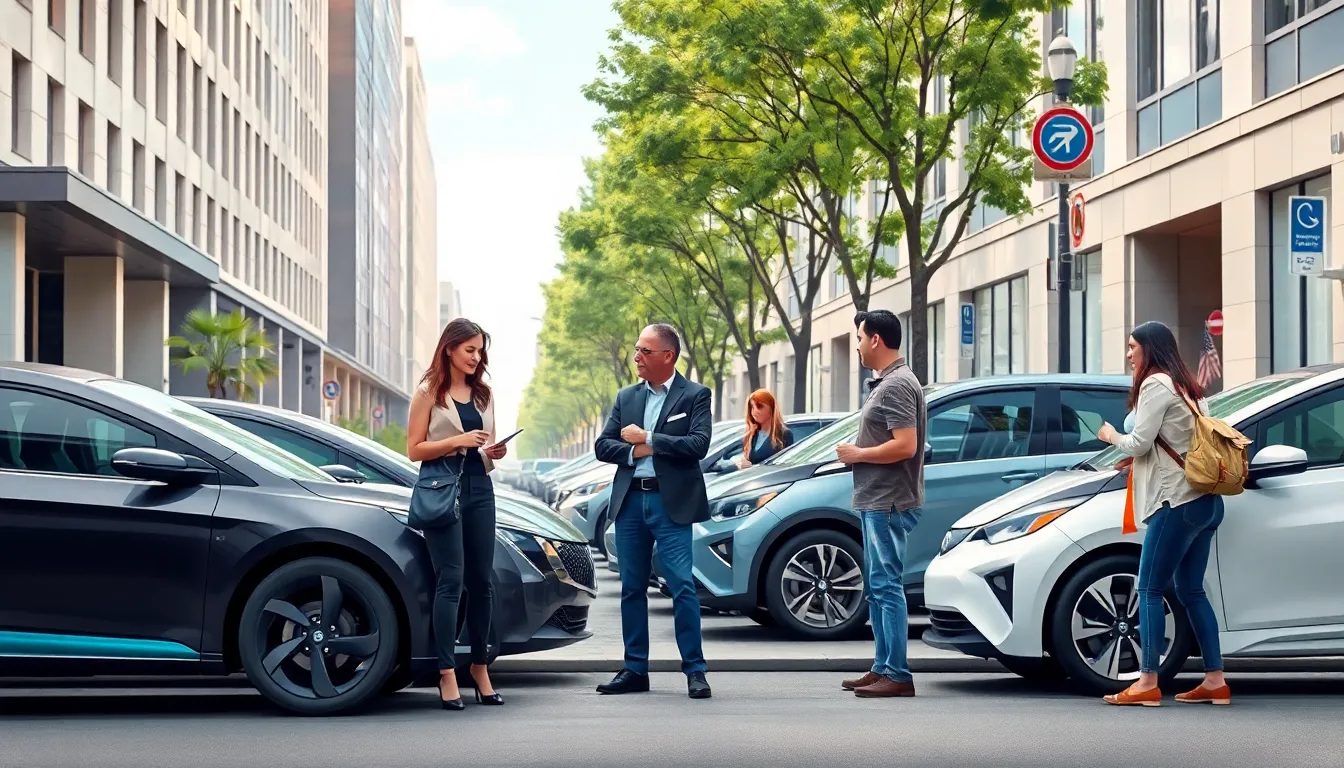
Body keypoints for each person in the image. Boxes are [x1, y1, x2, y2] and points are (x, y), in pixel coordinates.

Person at [1096, 320, 1228, 707]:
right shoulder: (1189, 387)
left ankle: (1147, 682)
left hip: (1176, 501)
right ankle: (1215, 680)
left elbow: (1139, 442)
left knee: (1150, 589)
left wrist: (1109, 436)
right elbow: (1173, 442)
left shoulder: (1156, 383)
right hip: (1206, 501)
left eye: (1132, 347)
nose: (1128, 354)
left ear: (1150, 349)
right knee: (1191, 591)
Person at [593, 323, 714, 699]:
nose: (637, 358)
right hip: (631, 502)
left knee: (682, 587)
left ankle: (695, 670)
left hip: (670, 503)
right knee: (632, 588)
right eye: (636, 350)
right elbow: (603, 446)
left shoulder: (695, 395)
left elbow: (698, 444)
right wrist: (636, 451)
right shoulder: (626, 397)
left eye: (645, 351)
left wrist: (648, 439)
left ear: (668, 356)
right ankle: (634, 669)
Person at [407, 318, 509, 710]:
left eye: (480, 351)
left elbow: (483, 448)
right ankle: (446, 672)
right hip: (441, 489)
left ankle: (480, 668)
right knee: (450, 581)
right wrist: (458, 441)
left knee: (481, 583)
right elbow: (414, 449)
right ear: (449, 348)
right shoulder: (427, 392)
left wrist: (492, 452)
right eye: (470, 350)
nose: (476, 357)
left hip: (479, 489)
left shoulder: (484, 394)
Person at [835, 310, 925, 699]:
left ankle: (899, 675)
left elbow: (906, 445)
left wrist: (857, 454)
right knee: (877, 587)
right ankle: (883, 668)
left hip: (887, 501)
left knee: (887, 586)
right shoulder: (888, 382)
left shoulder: (897, 385)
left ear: (875, 339)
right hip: (877, 500)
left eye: (859, 337)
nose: (856, 345)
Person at [714, 389, 794, 473]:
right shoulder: (751, 434)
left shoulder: (783, 434)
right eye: (752, 407)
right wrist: (741, 465)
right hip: (751, 479)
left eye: (759, 406)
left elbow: (786, 466)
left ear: (771, 407)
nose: (755, 411)